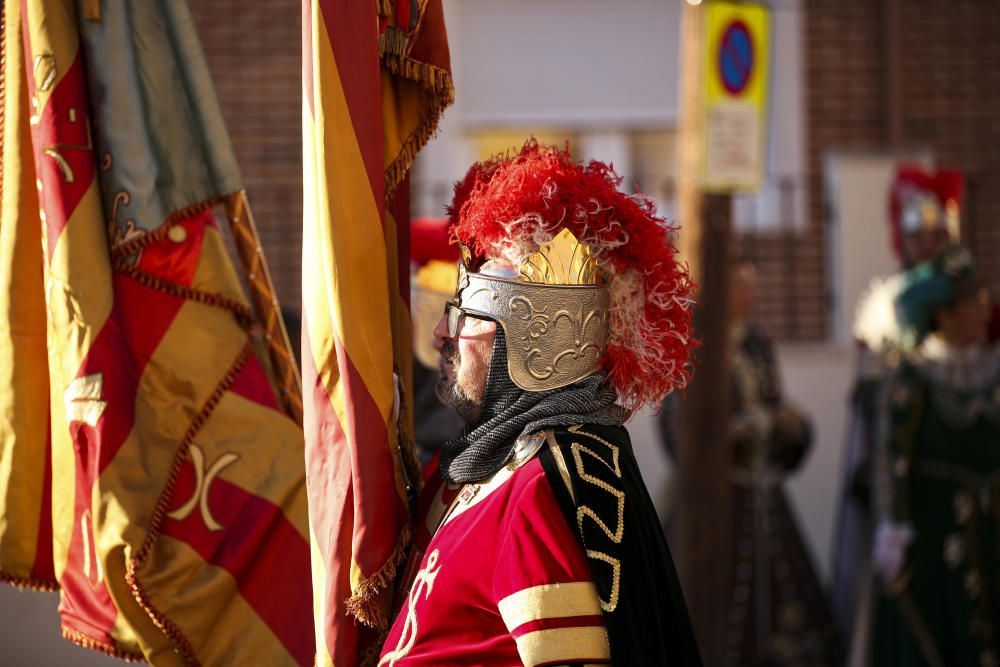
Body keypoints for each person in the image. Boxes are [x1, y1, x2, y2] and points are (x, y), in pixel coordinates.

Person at [379, 140, 703, 666]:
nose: (443, 332)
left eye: (466, 315)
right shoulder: (483, 471)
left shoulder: (547, 484)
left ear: (532, 339)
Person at [659, 259, 842, 666]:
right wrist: (734, 433)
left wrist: (785, 425)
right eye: (739, 285)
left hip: (763, 495)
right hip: (716, 502)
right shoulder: (691, 346)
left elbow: (773, 402)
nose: (748, 296)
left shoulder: (756, 342)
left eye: (751, 287)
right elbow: (677, 431)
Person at [830, 166, 964, 661]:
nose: (928, 244)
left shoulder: (964, 292)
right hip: (899, 461)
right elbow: (871, 394)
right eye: (918, 234)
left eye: (936, 233)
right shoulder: (887, 303)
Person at [869, 245, 1000, 667]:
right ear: (942, 316)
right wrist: (894, 531)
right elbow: (893, 460)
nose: (985, 310)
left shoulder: (994, 372)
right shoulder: (913, 380)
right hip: (934, 549)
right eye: (972, 303)